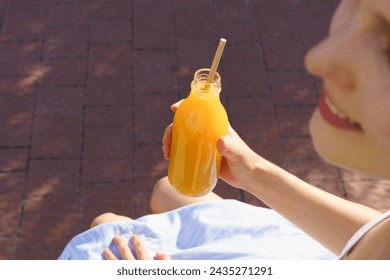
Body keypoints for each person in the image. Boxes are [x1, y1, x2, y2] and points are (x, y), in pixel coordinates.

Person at [58, 0, 390, 260]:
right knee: (167, 189)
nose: (319, 59)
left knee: (106, 226)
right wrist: (253, 172)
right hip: (312, 251)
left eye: (388, 50)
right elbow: (376, 236)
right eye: (356, 4)